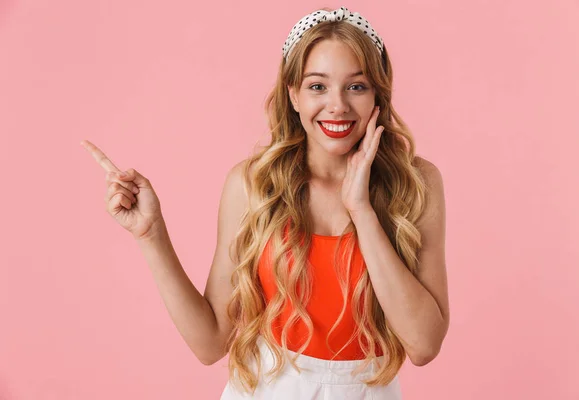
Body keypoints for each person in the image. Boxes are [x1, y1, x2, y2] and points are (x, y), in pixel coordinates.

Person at [81, 5, 449, 399]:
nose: (338, 105)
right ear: (292, 94)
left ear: (378, 93)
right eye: (317, 86)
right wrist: (151, 235)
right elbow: (210, 344)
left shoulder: (415, 184)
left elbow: (424, 345)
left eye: (356, 86)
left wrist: (361, 210)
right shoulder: (252, 185)